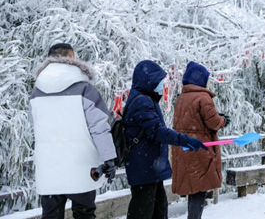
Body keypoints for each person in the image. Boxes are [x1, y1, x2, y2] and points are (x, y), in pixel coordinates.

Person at [29, 43, 117, 219]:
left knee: (51, 216)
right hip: (81, 166)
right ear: (71, 58)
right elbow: (99, 128)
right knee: (84, 214)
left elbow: (34, 125)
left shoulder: (36, 92)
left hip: (49, 169)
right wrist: (109, 159)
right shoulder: (85, 89)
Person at [124, 60, 207, 219]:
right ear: (149, 81)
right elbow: (157, 131)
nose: (162, 87)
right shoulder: (142, 101)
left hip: (148, 167)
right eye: (159, 82)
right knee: (144, 211)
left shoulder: (144, 98)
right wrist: (184, 140)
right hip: (144, 167)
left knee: (158, 209)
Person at [172, 61, 228, 219]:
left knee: (193, 186)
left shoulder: (182, 97)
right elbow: (213, 122)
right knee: (200, 188)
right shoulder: (203, 97)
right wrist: (223, 121)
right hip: (199, 148)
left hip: (184, 146)